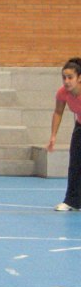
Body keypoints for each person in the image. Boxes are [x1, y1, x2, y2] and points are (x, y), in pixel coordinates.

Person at [46, 58, 81, 211]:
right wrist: (53, 136)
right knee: (75, 164)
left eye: (70, 77)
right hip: (80, 125)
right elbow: (58, 112)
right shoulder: (63, 93)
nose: (66, 81)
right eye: (64, 77)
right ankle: (72, 201)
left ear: (79, 78)